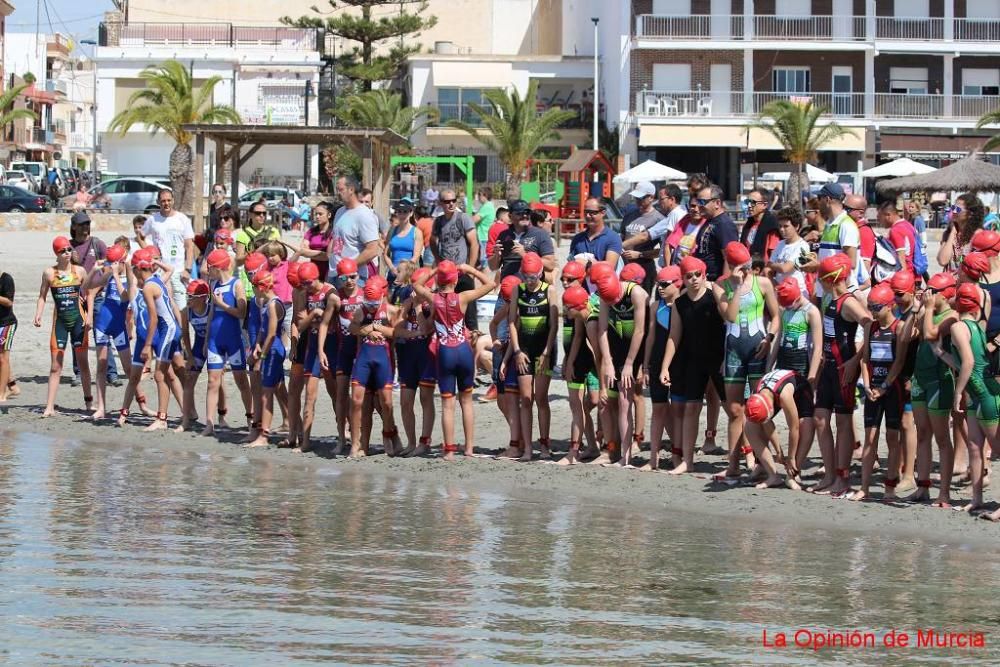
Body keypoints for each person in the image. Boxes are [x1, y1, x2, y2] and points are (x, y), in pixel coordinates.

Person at [411, 261, 495, 460]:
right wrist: (470, 270)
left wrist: (433, 270)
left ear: (438, 280)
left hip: (445, 352)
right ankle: (469, 449)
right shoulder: (463, 297)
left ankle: (448, 451)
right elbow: (490, 285)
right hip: (463, 351)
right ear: (456, 279)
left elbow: (416, 286)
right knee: (466, 402)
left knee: (448, 405)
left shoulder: (433, 299)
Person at [714, 242, 780, 481]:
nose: (748, 271)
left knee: (758, 410)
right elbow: (730, 316)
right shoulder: (720, 286)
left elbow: (775, 317)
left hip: (757, 350)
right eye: (743, 267)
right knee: (734, 411)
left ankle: (765, 461)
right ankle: (734, 464)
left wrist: (770, 339)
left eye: (749, 267)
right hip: (733, 351)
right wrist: (738, 287)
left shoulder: (763, 283)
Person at [811, 253, 872, 496]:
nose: (820, 282)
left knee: (843, 422)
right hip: (828, 367)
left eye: (822, 278)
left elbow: (869, 323)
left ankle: (843, 478)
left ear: (832, 278)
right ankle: (829, 474)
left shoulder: (848, 302)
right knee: (820, 419)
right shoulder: (830, 299)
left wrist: (855, 360)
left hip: (843, 369)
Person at [659, 256, 725, 474]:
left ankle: (746, 457)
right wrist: (665, 366)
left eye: (698, 274)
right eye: (689, 276)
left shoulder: (714, 294)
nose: (694, 279)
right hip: (694, 359)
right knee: (691, 408)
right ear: (683, 279)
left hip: (719, 358)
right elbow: (673, 336)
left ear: (704, 274)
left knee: (733, 409)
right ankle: (687, 460)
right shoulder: (680, 302)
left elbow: (729, 322)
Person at [943, 282, 1000, 516]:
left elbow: (969, 363)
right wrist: (942, 354)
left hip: (984, 395)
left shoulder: (958, 327)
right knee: (975, 448)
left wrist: (958, 392)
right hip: (979, 394)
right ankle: (977, 499)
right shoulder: (977, 326)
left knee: (996, 449)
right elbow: (967, 361)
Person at [851, 282, 906, 501]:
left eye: (876, 307)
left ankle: (890, 487)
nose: (872, 311)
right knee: (870, 438)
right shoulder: (870, 327)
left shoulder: (899, 327)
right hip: (872, 387)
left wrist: (884, 387)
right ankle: (864, 487)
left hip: (892, 389)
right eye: (870, 307)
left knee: (893, 437)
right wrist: (866, 384)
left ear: (889, 306)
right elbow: (865, 360)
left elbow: (900, 361)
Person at [908, 272, 959, 507]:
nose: (929, 294)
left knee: (941, 438)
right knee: (922, 435)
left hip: (940, 380)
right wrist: (919, 309)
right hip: (921, 377)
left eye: (933, 291)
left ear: (946, 294)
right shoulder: (930, 311)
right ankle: (923, 487)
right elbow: (912, 335)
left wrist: (927, 309)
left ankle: (944, 493)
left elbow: (930, 334)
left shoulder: (951, 317)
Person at [505, 252, 558, 462]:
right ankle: (528, 448)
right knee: (526, 399)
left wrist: (546, 352)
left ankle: (544, 445)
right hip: (524, 350)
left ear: (540, 273)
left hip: (544, 350)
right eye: (526, 277)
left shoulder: (549, 291)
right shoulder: (518, 290)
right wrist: (517, 351)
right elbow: (511, 322)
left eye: (533, 277)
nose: (529, 281)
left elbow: (554, 325)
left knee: (541, 398)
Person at [34, 236, 93, 417]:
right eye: (63, 251)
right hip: (59, 323)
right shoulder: (49, 273)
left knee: (83, 363)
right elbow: (42, 295)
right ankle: (49, 406)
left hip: (78, 322)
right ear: (56, 254)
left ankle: (89, 402)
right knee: (55, 366)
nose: (67, 253)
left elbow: (90, 294)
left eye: (69, 249)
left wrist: (89, 316)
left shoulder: (80, 271)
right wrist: (38, 314)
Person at [770, 278, 822, 482]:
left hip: (802, 371)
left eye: (790, 303)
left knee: (806, 422)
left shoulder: (811, 312)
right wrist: (769, 367)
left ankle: (795, 468)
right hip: (782, 368)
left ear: (798, 295)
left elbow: (817, 346)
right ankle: (771, 460)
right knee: (760, 416)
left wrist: (813, 375)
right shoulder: (785, 310)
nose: (789, 307)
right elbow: (779, 339)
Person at [134, 244, 187, 432]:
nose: (132, 271)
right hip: (173, 328)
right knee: (174, 373)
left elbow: (154, 319)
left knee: (159, 375)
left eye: (134, 268)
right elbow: (170, 269)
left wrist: (147, 345)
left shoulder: (149, 287)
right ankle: (188, 413)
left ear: (139, 268)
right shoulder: (157, 280)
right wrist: (154, 261)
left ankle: (162, 418)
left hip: (168, 330)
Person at [202, 248, 254, 437]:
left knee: (241, 381)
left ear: (218, 267)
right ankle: (209, 423)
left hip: (233, 339)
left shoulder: (236, 284)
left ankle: (250, 418)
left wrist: (222, 304)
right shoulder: (213, 284)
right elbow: (210, 315)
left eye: (210, 267)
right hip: (215, 339)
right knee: (212, 381)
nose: (208, 270)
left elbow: (241, 312)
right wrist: (206, 339)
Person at [347, 279, 401, 458]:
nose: (371, 308)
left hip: (384, 360)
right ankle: (357, 445)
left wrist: (378, 327)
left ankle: (389, 433)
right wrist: (369, 329)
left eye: (374, 304)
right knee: (358, 402)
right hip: (364, 359)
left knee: (386, 402)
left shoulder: (390, 311)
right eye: (368, 304)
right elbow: (353, 328)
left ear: (382, 297)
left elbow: (396, 332)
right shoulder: (360, 311)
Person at [84, 242, 135, 420]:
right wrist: (93, 270)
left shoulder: (130, 275)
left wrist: (116, 273)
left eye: (116, 263)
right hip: (102, 325)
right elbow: (86, 288)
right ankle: (101, 407)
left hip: (119, 326)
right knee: (101, 366)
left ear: (122, 261)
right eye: (111, 263)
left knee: (129, 369)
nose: (113, 266)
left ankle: (142, 404)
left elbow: (125, 296)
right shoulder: (109, 274)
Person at [641, 265, 682, 471]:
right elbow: (650, 337)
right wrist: (646, 365)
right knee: (658, 409)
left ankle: (677, 455)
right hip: (657, 363)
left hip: (678, 363)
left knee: (676, 410)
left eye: (665, 284)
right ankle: (653, 458)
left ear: (677, 283)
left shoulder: (683, 305)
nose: (660, 288)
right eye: (658, 284)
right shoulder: (656, 306)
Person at [393, 267, 437, 457]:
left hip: (427, 354)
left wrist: (418, 307)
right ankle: (411, 442)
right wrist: (408, 308)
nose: (414, 292)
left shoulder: (434, 303)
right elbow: (396, 329)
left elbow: (427, 329)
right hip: (408, 353)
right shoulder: (407, 301)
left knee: (426, 398)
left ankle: (424, 441)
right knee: (405, 401)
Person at [245, 269, 287, 447]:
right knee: (280, 391)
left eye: (253, 286)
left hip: (273, 350)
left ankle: (264, 435)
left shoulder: (273, 304)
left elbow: (271, 334)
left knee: (266, 393)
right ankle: (295, 430)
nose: (252, 290)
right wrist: (256, 347)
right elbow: (264, 331)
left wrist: (261, 356)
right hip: (269, 349)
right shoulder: (267, 302)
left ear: (260, 287)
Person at [744, 370, 803, 489]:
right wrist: (779, 452)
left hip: (800, 389)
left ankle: (793, 473)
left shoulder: (784, 396)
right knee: (749, 427)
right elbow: (767, 423)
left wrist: (790, 457)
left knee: (806, 425)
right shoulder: (756, 394)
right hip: (771, 391)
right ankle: (772, 475)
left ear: (771, 409)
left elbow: (794, 428)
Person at [430, 188, 480, 330]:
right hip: (446, 273)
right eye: (447, 201)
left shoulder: (463, 218)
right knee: (446, 310)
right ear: (441, 203)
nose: (451, 204)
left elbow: (474, 244)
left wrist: (470, 269)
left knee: (469, 311)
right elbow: (432, 241)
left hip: (463, 271)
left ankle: (473, 337)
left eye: (453, 200)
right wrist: (438, 259)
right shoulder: (438, 221)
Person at [801, 183, 860, 299]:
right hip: (826, 291)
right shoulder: (830, 224)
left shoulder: (846, 225)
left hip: (839, 293)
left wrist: (817, 265)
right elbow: (829, 257)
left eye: (819, 198)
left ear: (827, 199)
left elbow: (851, 263)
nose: (818, 202)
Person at [142, 189, 195, 310]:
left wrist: (188, 269)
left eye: (169, 200)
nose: (166, 203)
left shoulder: (182, 219)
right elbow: (141, 236)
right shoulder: (152, 220)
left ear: (173, 201)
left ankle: (184, 330)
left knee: (182, 309)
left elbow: (189, 246)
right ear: (158, 202)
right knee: (162, 308)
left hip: (178, 272)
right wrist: (149, 253)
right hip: (159, 273)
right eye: (163, 201)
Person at [328, 176, 382, 284]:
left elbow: (372, 250)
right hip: (334, 274)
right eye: (337, 189)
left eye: (341, 189)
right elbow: (337, 241)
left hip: (353, 277)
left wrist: (349, 266)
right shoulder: (339, 212)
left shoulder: (364, 215)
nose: (337, 193)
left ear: (351, 190)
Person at [491, 200, 557, 279]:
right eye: (519, 213)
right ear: (510, 216)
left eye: (527, 213)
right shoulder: (503, 235)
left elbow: (550, 264)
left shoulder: (540, 234)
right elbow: (493, 267)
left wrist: (526, 255)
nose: (525, 216)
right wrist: (496, 255)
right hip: (509, 286)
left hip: (531, 287)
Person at [619, 181, 666, 292]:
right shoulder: (629, 214)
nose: (637, 201)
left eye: (641, 198)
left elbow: (663, 251)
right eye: (636, 197)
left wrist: (640, 255)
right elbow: (621, 236)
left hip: (645, 269)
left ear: (651, 197)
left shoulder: (659, 219)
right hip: (624, 267)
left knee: (643, 306)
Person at [693, 184, 739, 282]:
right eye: (698, 201)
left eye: (702, 202)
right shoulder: (709, 220)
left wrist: (723, 285)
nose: (699, 206)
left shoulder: (724, 224)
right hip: (703, 280)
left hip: (714, 282)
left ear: (717, 203)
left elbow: (729, 258)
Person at [569, 198, 622, 271]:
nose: (587, 216)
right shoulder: (577, 239)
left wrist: (587, 263)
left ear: (603, 213)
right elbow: (571, 264)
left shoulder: (613, 238)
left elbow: (609, 267)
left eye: (592, 212)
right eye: (586, 212)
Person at [768, 206, 810, 296]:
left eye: (786, 226)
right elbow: (768, 268)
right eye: (780, 226)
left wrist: (772, 265)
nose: (782, 229)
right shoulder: (780, 244)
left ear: (797, 226)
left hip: (798, 295)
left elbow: (785, 269)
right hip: (780, 293)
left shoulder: (804, 247)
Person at [938, 193, 985, 272]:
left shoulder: (979, 235)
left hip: (969, 283)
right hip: (951, 282)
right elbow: (943, 261)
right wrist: (953, 232)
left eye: (957, 209)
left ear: (970, 214)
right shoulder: (949, 233)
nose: (953, 211)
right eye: (953, 207)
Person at [384, 200, 424, 283]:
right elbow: (385, 254)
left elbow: (415, 257)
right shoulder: (391, 231)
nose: (402, 215)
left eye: (405, 211)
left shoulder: (416, 232)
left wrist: (403, 271)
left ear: (411, 213)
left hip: (409, 276)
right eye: (399, 211)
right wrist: (392, 268)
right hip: (393, 274)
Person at [741, 187, 780, 263]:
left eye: (753, 202)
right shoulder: (749, 223)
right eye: (747, 202)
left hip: (762, 271)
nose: (749, 206)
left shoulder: (771, 224)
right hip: (748, 268)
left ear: (764, 205)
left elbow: (774, 254)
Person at [298, 201, 334, 281]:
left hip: (329, 273)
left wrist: (309, 253)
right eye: (316, 214)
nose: (317, 217)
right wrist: (321, 254)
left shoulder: (334, 233)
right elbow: (302, 250)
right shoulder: (311, 232)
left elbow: (329, 257)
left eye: (320, 214)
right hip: (313, 271)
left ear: (329, 215)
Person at [0, 268, 16, 402]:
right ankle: (13, 387)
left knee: (3, 359)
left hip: (6, 323)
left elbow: (9, 302)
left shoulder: (6, 279)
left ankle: (1, 394)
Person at [472, 187, 496, 266]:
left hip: (483, 236)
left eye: (479, 194)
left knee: (483, 261)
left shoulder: (487, 206)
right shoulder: (487, 206)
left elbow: (474, 220)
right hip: (484, 236)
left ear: (485, 195)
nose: (478, 197)